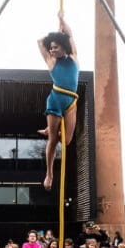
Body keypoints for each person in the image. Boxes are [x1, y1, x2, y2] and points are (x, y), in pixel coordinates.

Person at [37, 12, 79, 191]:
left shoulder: (74, 58)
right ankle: (49, 174)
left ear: (64, 47)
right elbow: (40, 42)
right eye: (51, 47)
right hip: (55, 101)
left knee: (67, 140)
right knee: (54, 140)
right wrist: (52, 36)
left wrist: (62, 21)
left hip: (70, 102)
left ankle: (50, 128)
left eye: (55, 47)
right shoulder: (51, 61)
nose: (52, 50)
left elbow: (70, 35)